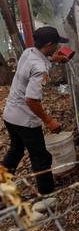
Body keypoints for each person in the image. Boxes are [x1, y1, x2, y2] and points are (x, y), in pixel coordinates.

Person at [1, 26, 70, 195]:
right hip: (25, 119)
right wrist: (49, 120)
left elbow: (42, 58)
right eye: (55, 45)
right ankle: (47, 195)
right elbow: (31, 100)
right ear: (48, 44)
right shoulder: (41, 71)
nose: (56, 47)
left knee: (15, 151)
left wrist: (56, 58)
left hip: (10, 114)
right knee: (41, 156)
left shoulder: (29, 52)